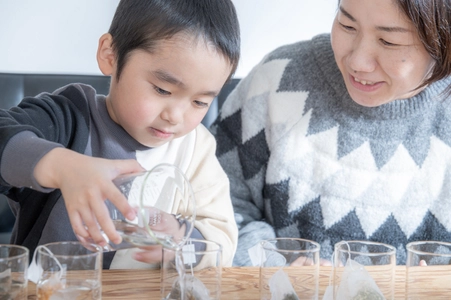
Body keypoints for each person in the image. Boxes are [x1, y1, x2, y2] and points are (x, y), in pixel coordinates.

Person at [0, 0, 240, 269]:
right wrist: (61, 166)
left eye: (200, 102)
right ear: (110, 55)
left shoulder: (196, 149)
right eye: (162, 89)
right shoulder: (68, 116)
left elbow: (222, 239)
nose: (176, 116)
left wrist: (181, 237)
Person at [211, 0, 451, 266]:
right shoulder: (279, 81)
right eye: (347, 25)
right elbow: (212, 207)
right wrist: (277, 272)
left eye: (389, 41)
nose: (357, 61)